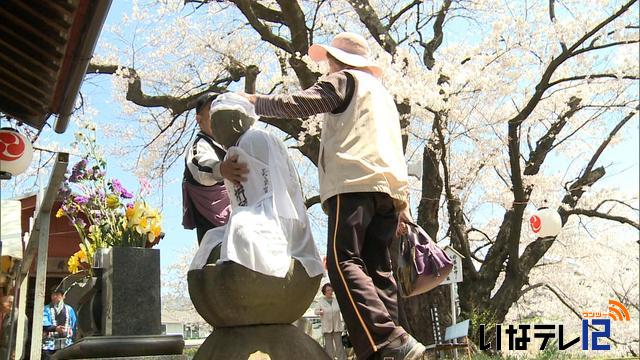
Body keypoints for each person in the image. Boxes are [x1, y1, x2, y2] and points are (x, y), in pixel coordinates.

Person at [237, 32, 425, 360]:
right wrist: (403, 204)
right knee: (378, 270)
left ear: (339, 61)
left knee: (342, 262)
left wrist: (257, 102)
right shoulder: (382, 96)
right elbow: (395, 146)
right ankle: (393, 350)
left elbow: (304, 103)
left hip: (354, 184)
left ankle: (391, 341)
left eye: (328, 60)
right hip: (390, 192)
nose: (326, 66)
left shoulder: (344, 79)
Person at [190, 93, 324, 282]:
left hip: (271, 211)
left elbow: (261, 191)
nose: (215, 128)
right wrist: (220, 168)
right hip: (244, 210)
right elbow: (200, 165)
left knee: (240, 227)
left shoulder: (251, 140)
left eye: (217, 121)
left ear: (236, 122)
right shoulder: (207, 145)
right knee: (214, 237)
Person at [182, 93, 232, 243]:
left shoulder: (231, 144)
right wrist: (221, 169)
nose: (218, 117)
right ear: (199, 119)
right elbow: (202, 167)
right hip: (213, 232)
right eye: (212, 112)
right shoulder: (199, 147)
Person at [42, 288, 76, 359]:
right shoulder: (46, 309)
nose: (54, 297)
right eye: (53, 295)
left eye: (57, 295)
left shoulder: (69, 309)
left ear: (63, 296)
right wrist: (56, 328)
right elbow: (44, 324)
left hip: (66, 344)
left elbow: (74, 326)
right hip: (49, 345)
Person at [315, 283, 347, 360]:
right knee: (329, 348)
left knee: (339, 346)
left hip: (337, 326)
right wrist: (320, 312)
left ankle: (342, 359)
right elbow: (316, 312)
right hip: (327, 327)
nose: (330, 292)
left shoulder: (336, 300)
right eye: (328, 290)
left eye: (331, 290)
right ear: (324, 292)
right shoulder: (321, 301)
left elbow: (343, 310)